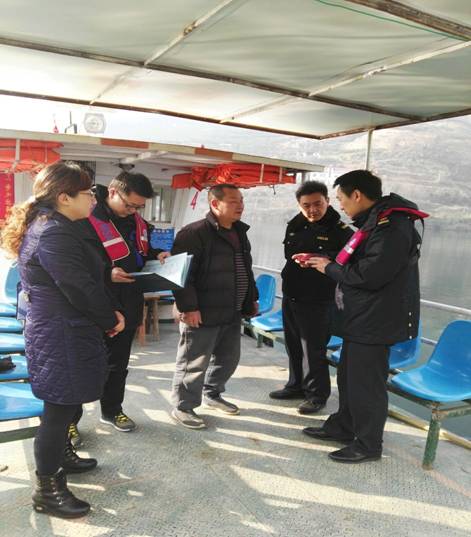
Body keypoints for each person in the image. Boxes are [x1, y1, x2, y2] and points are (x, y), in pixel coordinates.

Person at [1, 161, 125, 518]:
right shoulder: (53, 231)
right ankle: (47, 491)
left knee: (66, 402)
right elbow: (78, 286)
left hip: (63, 327)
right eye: (87, 192)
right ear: (64, 196)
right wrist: (109, 318)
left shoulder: (55, 224)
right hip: (61, 332)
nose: (93, 198)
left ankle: (62, 456)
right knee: (57, 410)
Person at [302, 170, 425, 463]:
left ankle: (369, 444)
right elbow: (358, 258)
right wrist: (324, 259)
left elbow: (370, 274)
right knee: (349, 378)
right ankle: (344, 426)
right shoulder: (374, 222)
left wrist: (328, 268)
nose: (340, 205)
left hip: (376, 321)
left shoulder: (391, 226)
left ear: (356, 195)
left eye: (341, 198)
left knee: (367, 385)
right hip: (360, 317)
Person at [72, 171, 170, 439]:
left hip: (128, 302)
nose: (133, 211)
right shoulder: (85, 217)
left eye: (139, 207)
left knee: (118, 365)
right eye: (129, 205)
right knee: (81, 365)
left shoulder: (136, 222)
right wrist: (106, 273)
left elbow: (138, 253)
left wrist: (158, 254)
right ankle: (69, 421)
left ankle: (112, 410)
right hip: (94, 304)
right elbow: (73, 265)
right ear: (114, 192)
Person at [170, 184, 258, 429]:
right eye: (233, 201)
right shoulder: (193, 233)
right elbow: (181, 275)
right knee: (193, 361)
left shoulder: (239, 232)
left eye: (241, 200)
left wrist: (251, 298)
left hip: (232, 309)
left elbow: (245, 269)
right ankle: (183, 406)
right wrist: (189, 307)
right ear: (215, 204)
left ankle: (212, 393)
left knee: (228, 358)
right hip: (202, 311)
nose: (240, 205)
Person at [269, 181, 353, 413]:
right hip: (292, 294)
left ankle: (317, 395)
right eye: (306, 205)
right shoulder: (295, 225)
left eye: (318, 204)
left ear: (327, 201)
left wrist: (322, 257)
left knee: (313, 349)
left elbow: (349, 260)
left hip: (319, 298)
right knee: (294, 344)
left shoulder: (341, 230)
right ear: (299, 205)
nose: (313, 210)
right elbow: (289, 254)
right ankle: (296, 385)